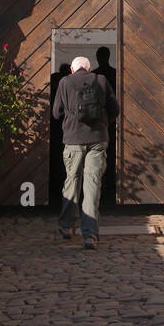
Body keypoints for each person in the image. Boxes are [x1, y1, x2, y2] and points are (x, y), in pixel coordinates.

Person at [52, 55, 119, 250]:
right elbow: (114, 109)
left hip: (73, 140)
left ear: (73, 69)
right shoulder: (101, 81)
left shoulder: (65, 82)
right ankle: (90, 235)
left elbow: (57, 113)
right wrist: (103, 123)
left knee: (72, 180)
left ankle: (66, 226)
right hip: (98, 139)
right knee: (92, 185)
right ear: (89, 69)